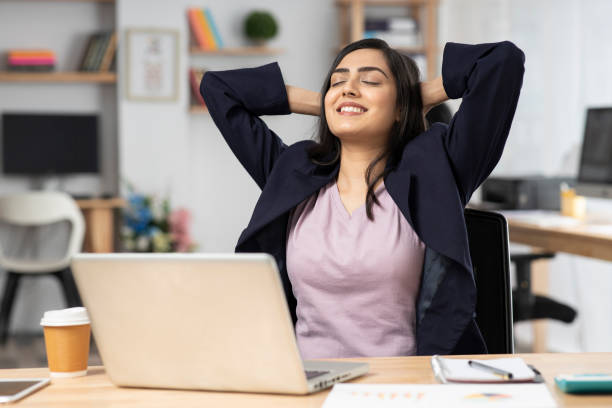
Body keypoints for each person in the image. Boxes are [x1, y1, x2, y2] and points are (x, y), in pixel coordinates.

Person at [201, 39, 525, 358]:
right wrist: (334, 103)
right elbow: (218, 88)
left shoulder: (438, 172)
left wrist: (414, 98)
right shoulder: (292, 173)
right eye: (338, 81)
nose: (349, 87)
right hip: (307, 384)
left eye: (370, 80)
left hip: (404, 386)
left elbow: (502, 60)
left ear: (400, 107)